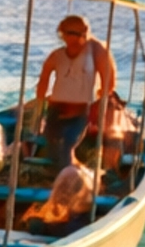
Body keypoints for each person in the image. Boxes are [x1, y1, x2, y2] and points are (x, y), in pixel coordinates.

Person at [32, 13, 117, 168]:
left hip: (80, 110)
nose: (77, 38)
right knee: (53, 146)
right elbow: (43, 81)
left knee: (66, 146)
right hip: (56, 109)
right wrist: (38, 109)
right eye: (71, 33)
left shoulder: (95, 51)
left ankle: (69, 181)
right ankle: (66, 175)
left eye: (81, 33)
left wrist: (100, 108)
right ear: (63, 34)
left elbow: (108, 82)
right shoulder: (56, 55)